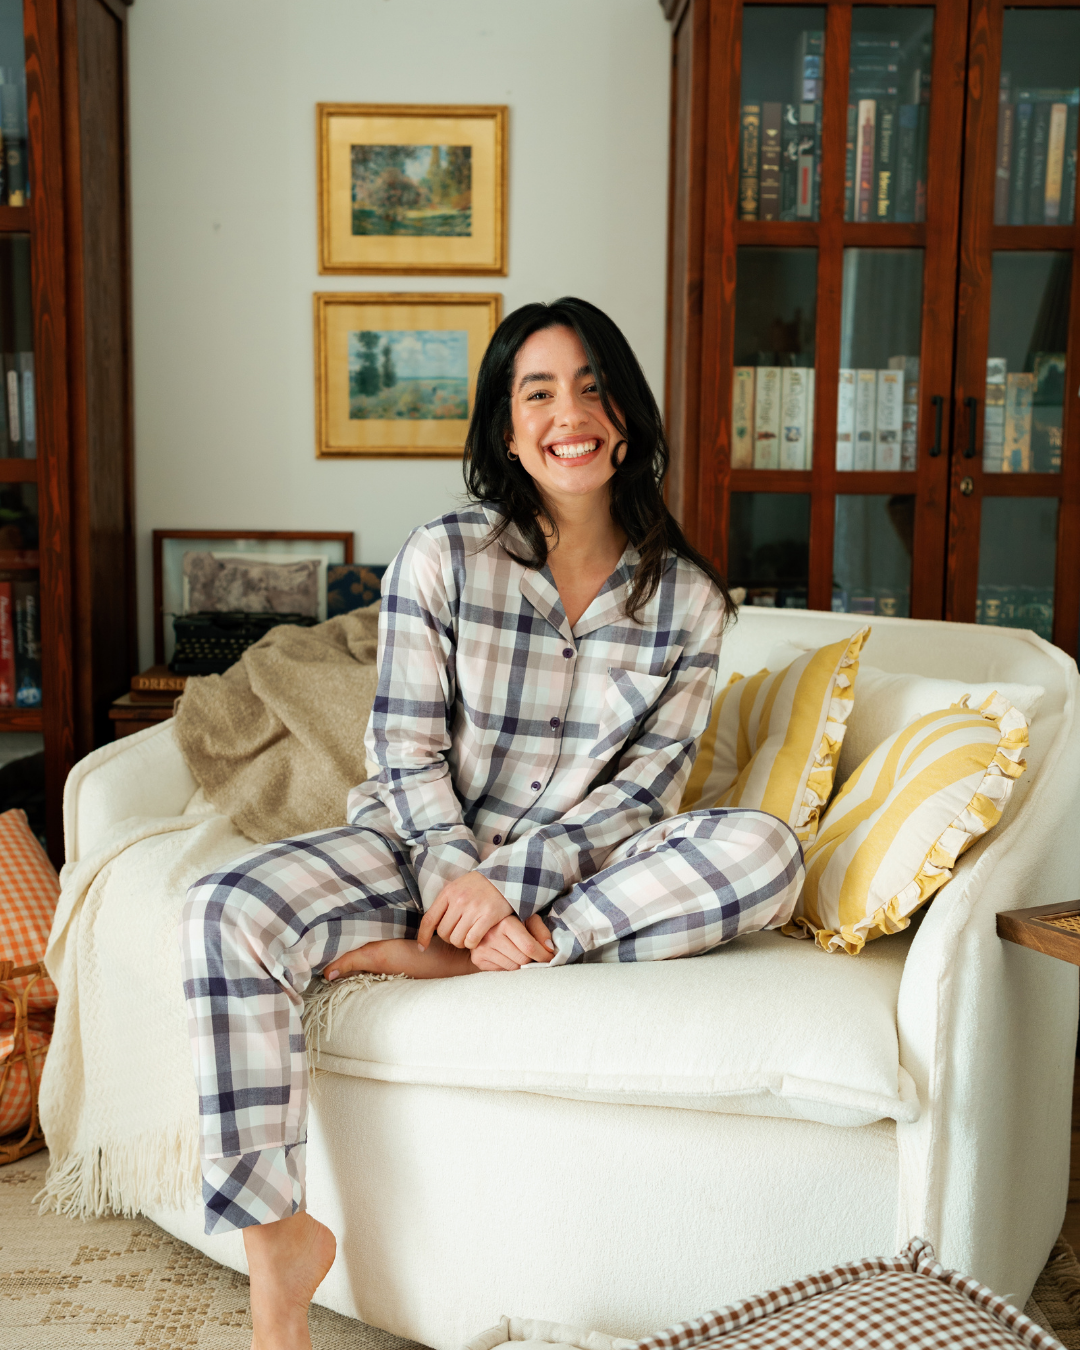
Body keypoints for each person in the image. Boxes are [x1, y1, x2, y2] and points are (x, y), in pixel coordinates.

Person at [180, 296, 804, 1350]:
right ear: (508, 432)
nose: (571, 414)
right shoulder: (445, 556)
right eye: (539, 393)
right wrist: (455, 879)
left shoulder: (691, 602)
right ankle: (279, 1245)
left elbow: (643, 796)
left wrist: (513, 895)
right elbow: (405, 749)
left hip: (581, 874)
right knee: (223, 908)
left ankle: (495, 956)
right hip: (415, 850)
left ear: (627, 417)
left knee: (767, 852)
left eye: (594, 388)